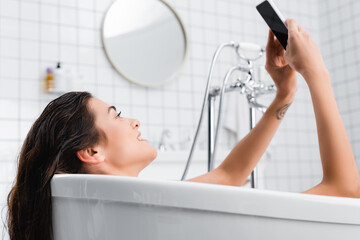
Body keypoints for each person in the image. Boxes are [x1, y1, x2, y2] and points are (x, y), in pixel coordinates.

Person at [7, 19, 360, 240]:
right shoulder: (146, 215)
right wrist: (317, 74)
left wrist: (285, 93)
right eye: (116, 115)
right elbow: (346, 192)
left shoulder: (137, 213)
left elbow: (229, 175)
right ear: (92, 152)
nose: (134, 121)